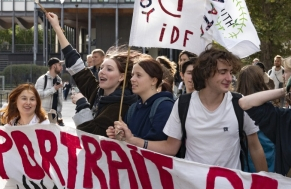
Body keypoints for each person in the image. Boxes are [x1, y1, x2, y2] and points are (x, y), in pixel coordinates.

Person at [111, 46, 267, 172]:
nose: (229, 78)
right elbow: (170, 148)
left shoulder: (239, 103)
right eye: (223, 72)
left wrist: (265, 185)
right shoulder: (183, 104)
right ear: (206, 73)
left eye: (230, 72)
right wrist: (132, 140)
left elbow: (255, 147)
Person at [47, 12, 138, 136]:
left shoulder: (122, 105)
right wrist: (57, 27)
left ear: (121, 76)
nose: (102, 72)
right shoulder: (97, 92)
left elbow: (93, 137)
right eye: (102, 67)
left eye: (109, 69)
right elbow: (76, 65)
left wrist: (82, 104)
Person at [107, 58, 174, 141]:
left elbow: (158, 145)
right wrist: (118, 135)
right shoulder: (133, 108)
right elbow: (127, 139)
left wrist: (131, 138)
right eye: (132, 75)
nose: (132, 79)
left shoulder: (165, 107)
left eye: (138, 75)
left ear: (153, 80)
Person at [235, 65, 276, 173]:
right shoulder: (267, 107)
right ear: (259, 81)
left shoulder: (236, 106)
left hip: (244, 162)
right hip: (269, 157)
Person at [35, 57, 64, 126]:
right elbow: (38, 95)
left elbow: (59, 98)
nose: (61, 67)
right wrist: (53, 89)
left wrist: (59, 113)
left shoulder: (59, 80)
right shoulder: (42, 79)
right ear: (54, 66)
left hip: (55, 115)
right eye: (59, 65)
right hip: (43, 115)